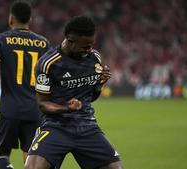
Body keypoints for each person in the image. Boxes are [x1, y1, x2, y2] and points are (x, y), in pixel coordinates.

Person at [24, 16, 124, 169]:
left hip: (87, 125)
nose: (89, 49)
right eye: (85, 46)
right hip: (56, 126)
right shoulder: (48, 64)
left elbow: (92, 97)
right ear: (70, 41)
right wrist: (66, 108)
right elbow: (43, 104)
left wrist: (99, 84)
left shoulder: (94, 57)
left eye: (91, 45)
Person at [0, 1, 50, 169]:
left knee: (1, 154)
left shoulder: (2, 39)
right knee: (31, 160)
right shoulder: (44, 43)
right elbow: (53, 75)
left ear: (11, 19)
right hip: (35, 110)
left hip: (9, 109)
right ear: (30, 19)